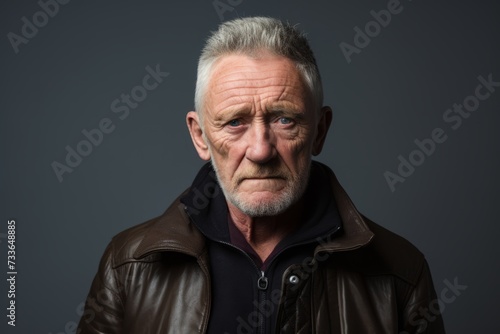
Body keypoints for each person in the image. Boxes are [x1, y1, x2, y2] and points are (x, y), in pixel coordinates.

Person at [77, 17, 445, 334]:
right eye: (235, 122)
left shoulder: (400, 273)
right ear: (200, 136)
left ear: (319, 131)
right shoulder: (129, 265)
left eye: (284, 119)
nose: (260, 150)